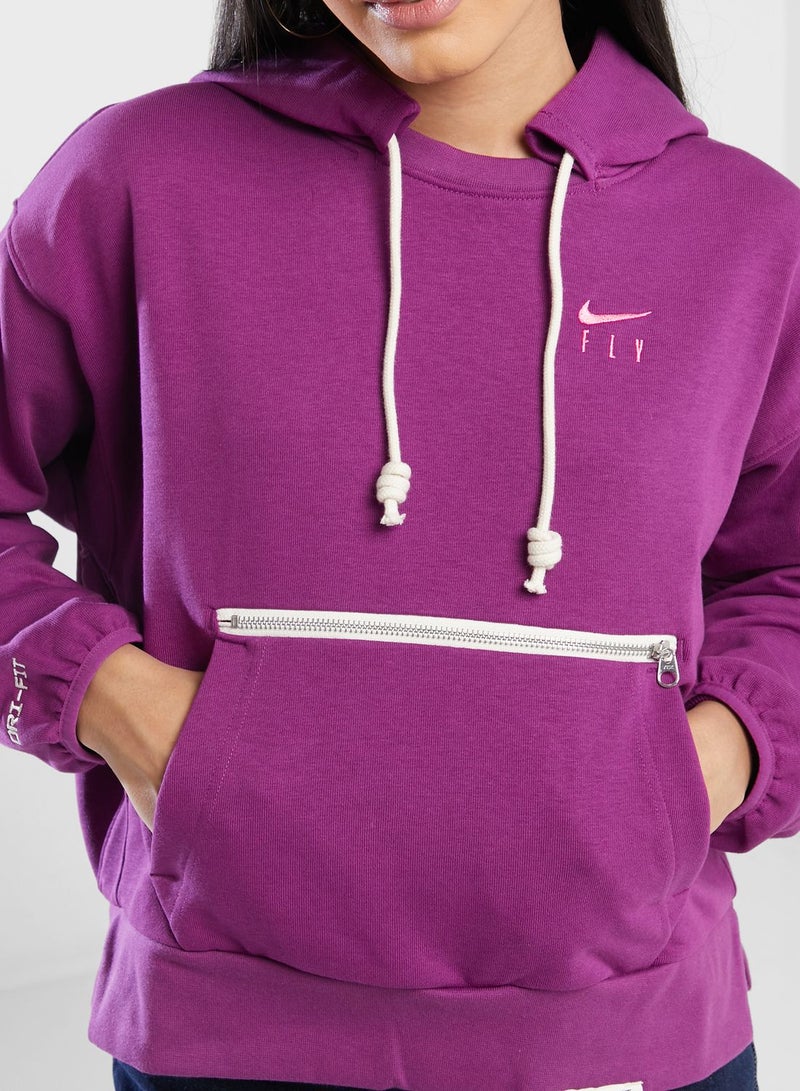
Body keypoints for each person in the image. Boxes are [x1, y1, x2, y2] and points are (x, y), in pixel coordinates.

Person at [5, 0, 800, 1085]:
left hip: (631, 1037)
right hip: (224, 1031)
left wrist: (706, 766)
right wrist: (104, 697)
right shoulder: (137, 177)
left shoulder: (751, 231)